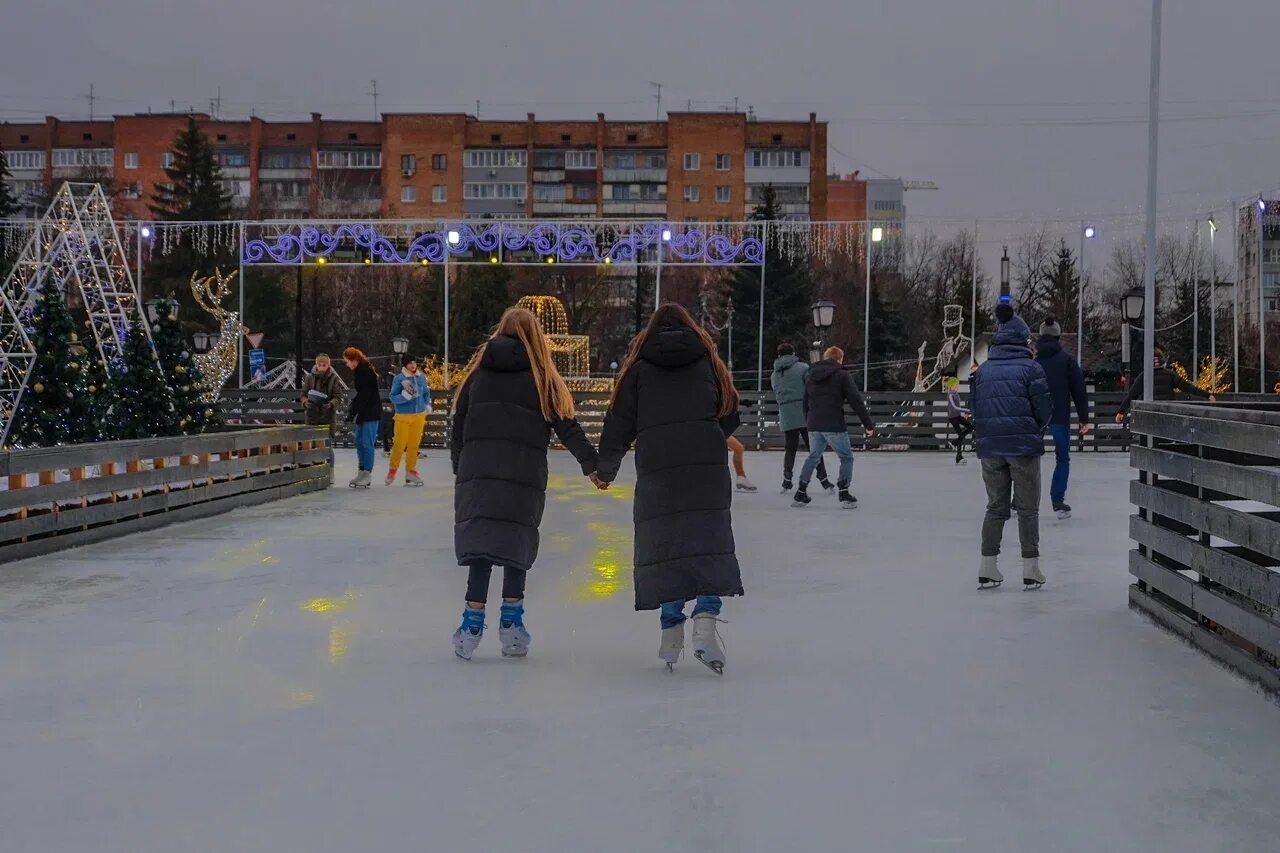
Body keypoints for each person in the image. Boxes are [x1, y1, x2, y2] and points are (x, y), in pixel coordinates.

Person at [597, 303, 743, 674]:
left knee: (665, 544)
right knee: (707, 542)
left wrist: (605, 470)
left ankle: (670, 634)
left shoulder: (638, 370)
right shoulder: (709, 362)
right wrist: (703, 438)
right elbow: (730, 412)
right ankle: (706, 625)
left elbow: (619, 423)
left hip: (658, 471)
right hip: (706, 471)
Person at [451, 308, 598, 661]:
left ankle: (471, 627)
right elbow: (568, 427)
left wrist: (462, 467)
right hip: (524, 476)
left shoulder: (478, 375)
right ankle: (512, 629)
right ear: (536, 338)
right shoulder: (542, 377)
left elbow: (459, 425)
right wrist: (593, 466)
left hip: (480, 475)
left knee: (482, 547)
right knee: (515, 543)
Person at [971, 304, 1052, 590]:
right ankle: (1031, 569)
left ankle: (987, 566)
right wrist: (1034, 430)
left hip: (991, 447)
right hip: (1022, 446)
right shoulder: (1031, 368)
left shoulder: (983, 371)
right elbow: (1044, 409)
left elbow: (975, 408)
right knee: (1028, 509)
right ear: (1021, 340)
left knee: (995, 507)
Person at [791, 346, 875, 510]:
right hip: (833, 424)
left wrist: (809, 420)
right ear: (840, 359)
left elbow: (805, 401)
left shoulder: (810, 374)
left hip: (814, 424)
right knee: (846, 457)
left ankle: (801, 491)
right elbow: (855, 401)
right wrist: (868, 425)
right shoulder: (842, 375)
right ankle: (843, 492)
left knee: (813, 456)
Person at [1034, 317, 1091, 518]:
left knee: (1028, 457)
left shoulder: (1034, 362)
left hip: (1036, 417)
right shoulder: (1066, 360)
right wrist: (1084, 418)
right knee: (1062, 458)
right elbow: (1079, 390)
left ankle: (1019, 500)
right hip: (1059, 415)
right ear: (1058, 336)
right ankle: (1057, 501)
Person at [770, 343, 832, 493]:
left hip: (786, 413)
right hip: (804, 412)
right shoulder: (803, 368)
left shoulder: (774, 374)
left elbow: (776, 390)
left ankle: (787, 479)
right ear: (793, 353)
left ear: (779, 355)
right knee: (814, 447)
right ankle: (823, 479)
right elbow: (812, 386)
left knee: (790, 448)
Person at [1115, 347, 1214, 421]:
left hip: (1149, 414)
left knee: (1149, 440)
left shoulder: (1144, 376)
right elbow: (1187, 387)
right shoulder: (1169, 375)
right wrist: (1207, 395)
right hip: (1167, 412)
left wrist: (1121, 411)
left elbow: (1132, 394)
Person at [386, 354, 432, 486]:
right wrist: (404, 397)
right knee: (399, 444)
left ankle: (411, 471)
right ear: (405, 365)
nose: (413, 365)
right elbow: (392, 397)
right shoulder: (399, 378)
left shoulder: (421, 377)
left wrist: (427, 405)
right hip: (403, 416)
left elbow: (426, 394)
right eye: (410, 363)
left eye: (414, 362)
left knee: (414, 445)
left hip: (419, 416)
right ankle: (393, 470)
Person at [343, 347, 382, 489]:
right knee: (359, 441)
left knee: (366, 443)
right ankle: (361, 470)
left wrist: (353, 412)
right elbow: (361, 395)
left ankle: (367, 473)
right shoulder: (359, 371)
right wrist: (353, 411)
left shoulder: (365, 372)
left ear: (354, 360)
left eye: (348, 361)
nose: (347, 364)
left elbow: (365, 395)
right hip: (363, 412)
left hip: (371, 412)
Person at [300, 353, 343, 477]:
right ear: (316, 364)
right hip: (312, 416)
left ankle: (330, 472)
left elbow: (338, 397)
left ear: (328, 365)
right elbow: (303, 394)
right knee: (312, 446)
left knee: (327, 446)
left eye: (324, 365)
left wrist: (331, 404)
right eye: (319, 365)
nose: (322, 367)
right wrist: (305, 402)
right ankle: (314, 472)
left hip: (327, 417)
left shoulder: (334, 378)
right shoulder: (309, 378)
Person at [944, 376, 974, 465]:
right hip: (953, 418)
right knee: (961, 435)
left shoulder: (956, 394)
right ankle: (958, 457)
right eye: (956, 385)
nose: (958, 386)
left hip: (957, 416)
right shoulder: (950, 395)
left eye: (958, 385)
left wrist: (965, 413)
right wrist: (967, 411)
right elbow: (955, 407)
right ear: (952, 385)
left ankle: (955, 442)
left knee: (971, 427)